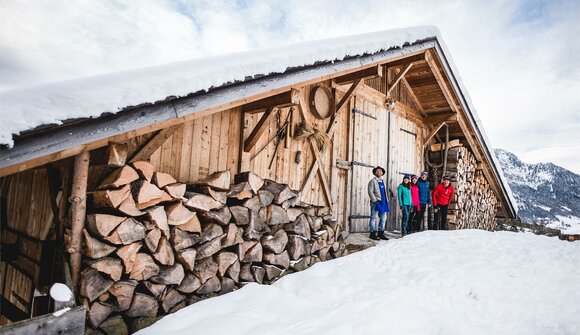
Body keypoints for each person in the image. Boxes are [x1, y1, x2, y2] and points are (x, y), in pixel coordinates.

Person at [367, 166, 390, 240]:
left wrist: (387, 200)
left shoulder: (383, 181)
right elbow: (370, 191)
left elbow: (384, 192)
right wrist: (375, 200)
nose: (379, 172)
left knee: (383, 218)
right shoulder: (372, 181)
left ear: (382, 173)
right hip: (376, 202)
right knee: (373, 218)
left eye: (380, 171)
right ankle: (372, 233)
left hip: (383, 202)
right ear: (375, 173)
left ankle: (381, 233)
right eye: (377, 171)